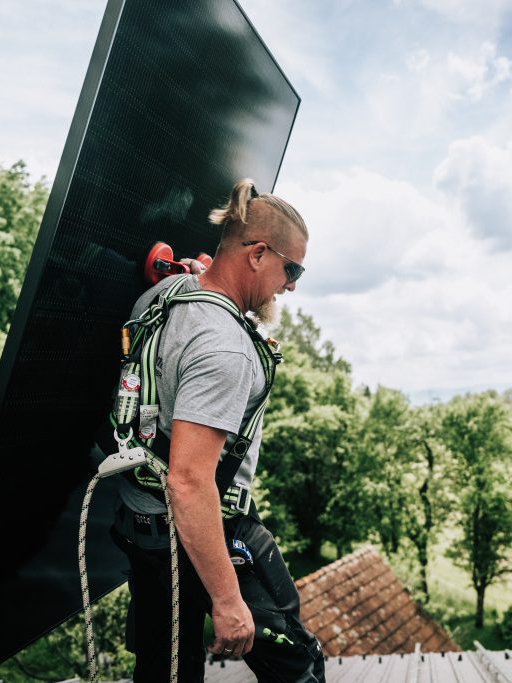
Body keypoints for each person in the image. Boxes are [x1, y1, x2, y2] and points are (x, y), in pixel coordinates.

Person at [109, 178, 325, 682]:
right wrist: (228, 600)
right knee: (299, 667)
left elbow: (202, 286)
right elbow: (187, 480)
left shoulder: (165, 295)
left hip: (143, 528)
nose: (292, 284)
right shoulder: (224, 349)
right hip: (202, 529)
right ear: (256, 255)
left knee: (165, 674)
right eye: (291, 268)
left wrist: (201, 272)